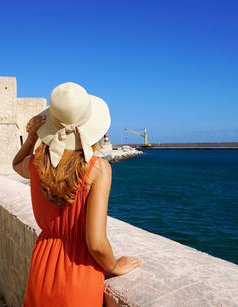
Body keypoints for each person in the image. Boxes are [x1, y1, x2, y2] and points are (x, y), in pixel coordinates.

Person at [12, 82, 142, 307]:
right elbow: (96, 243)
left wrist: (32, 137)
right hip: (80, 273)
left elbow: (16, 164)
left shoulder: (36, 164)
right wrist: (116, 266)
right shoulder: (98, 169)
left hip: (42, 268)